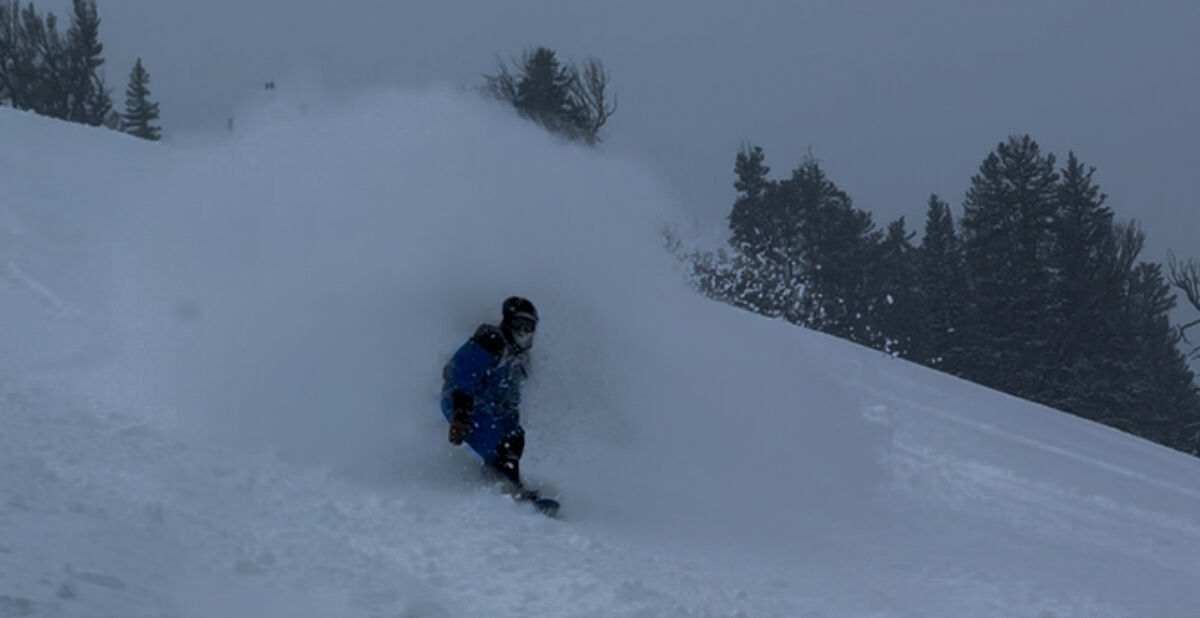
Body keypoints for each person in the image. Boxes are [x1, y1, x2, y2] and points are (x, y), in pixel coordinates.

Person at [440, 296, 539, 494]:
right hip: (463, 400)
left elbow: (511, 393)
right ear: (508, 323)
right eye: (519, 325)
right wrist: (460, 416)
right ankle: (503, 484)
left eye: (529, 327)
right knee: (496, 441)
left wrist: (512, 417)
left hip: (492, 406)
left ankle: (507, 481)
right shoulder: (490, 341)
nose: (523, 332)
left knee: (515, 438)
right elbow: (464, 375)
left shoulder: (519, 357)